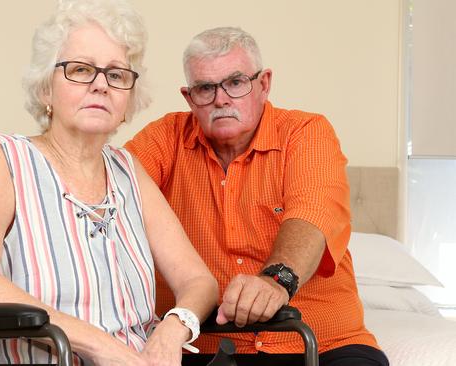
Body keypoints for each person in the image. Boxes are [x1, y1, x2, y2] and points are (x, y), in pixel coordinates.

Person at [0, 1, 218, 365]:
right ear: (46, 90)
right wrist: (101, 346)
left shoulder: (128, 170)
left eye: (117, 75)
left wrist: (172, 329)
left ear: (128, 99)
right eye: (81, 69)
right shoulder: (2, 158)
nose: (101, 85)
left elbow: (200, 281)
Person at [125, 26, 389, 366]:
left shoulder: (306, 133)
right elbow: (107, 191)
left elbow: (312, 213)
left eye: (235, 83)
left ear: (263, 84)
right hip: (204, 346)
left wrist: (277, 280)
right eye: (205, 88)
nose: (221, 99)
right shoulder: (164, 138)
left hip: (321, 344)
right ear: (190, 98)